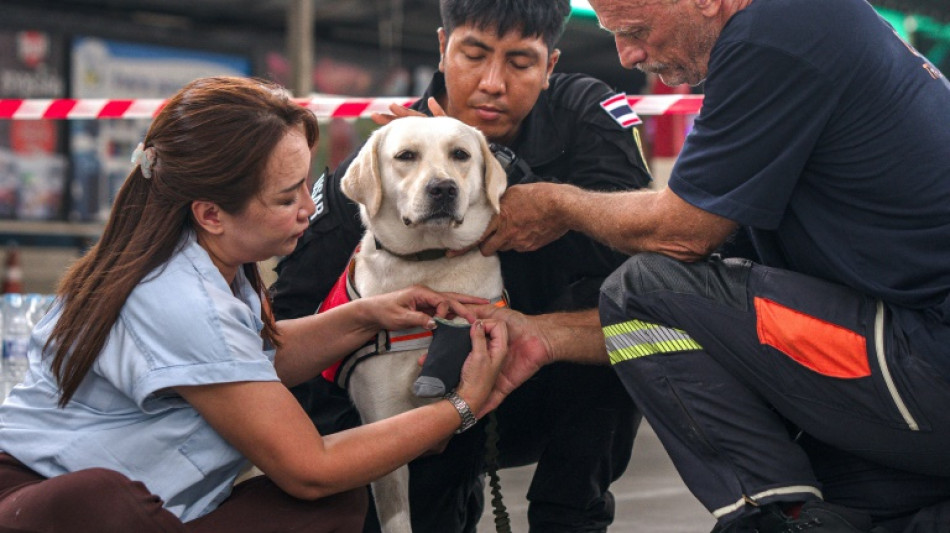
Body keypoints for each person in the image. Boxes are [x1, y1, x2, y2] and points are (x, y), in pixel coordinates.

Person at [469, 0, 950, 532]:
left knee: (641, 287)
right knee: (857, 508)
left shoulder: (774, 34)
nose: (627, 56)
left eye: (635, 31)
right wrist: (543, 335)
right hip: (913, 357)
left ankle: (773, 516)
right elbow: (708, 278)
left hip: (925, 357)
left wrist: (558, 204)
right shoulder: (807, 27)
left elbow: (678, 234)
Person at [0, 76, 508, 533]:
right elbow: (311, 468)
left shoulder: (215, 265)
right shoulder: (175, 295)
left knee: (332, 504)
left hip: (163, 505)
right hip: (46, 500)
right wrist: (459, 407)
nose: (310, 209)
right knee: (101, 501)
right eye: (287, 199)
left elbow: (248, 367)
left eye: (306, 187)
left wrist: (367, 314)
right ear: (212, 214)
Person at [269, 1, 653, 530]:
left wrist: (532, 193)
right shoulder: (386, 154)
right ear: (444, 47)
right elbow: (289, 319)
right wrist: (357, 444)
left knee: (631, 301)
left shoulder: (584, 115)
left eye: (520, 63)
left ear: (550, 67)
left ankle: (571, 517)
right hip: (413, 412)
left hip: (544, 384)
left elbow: (635, 254)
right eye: (474, 54)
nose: (492, 82)